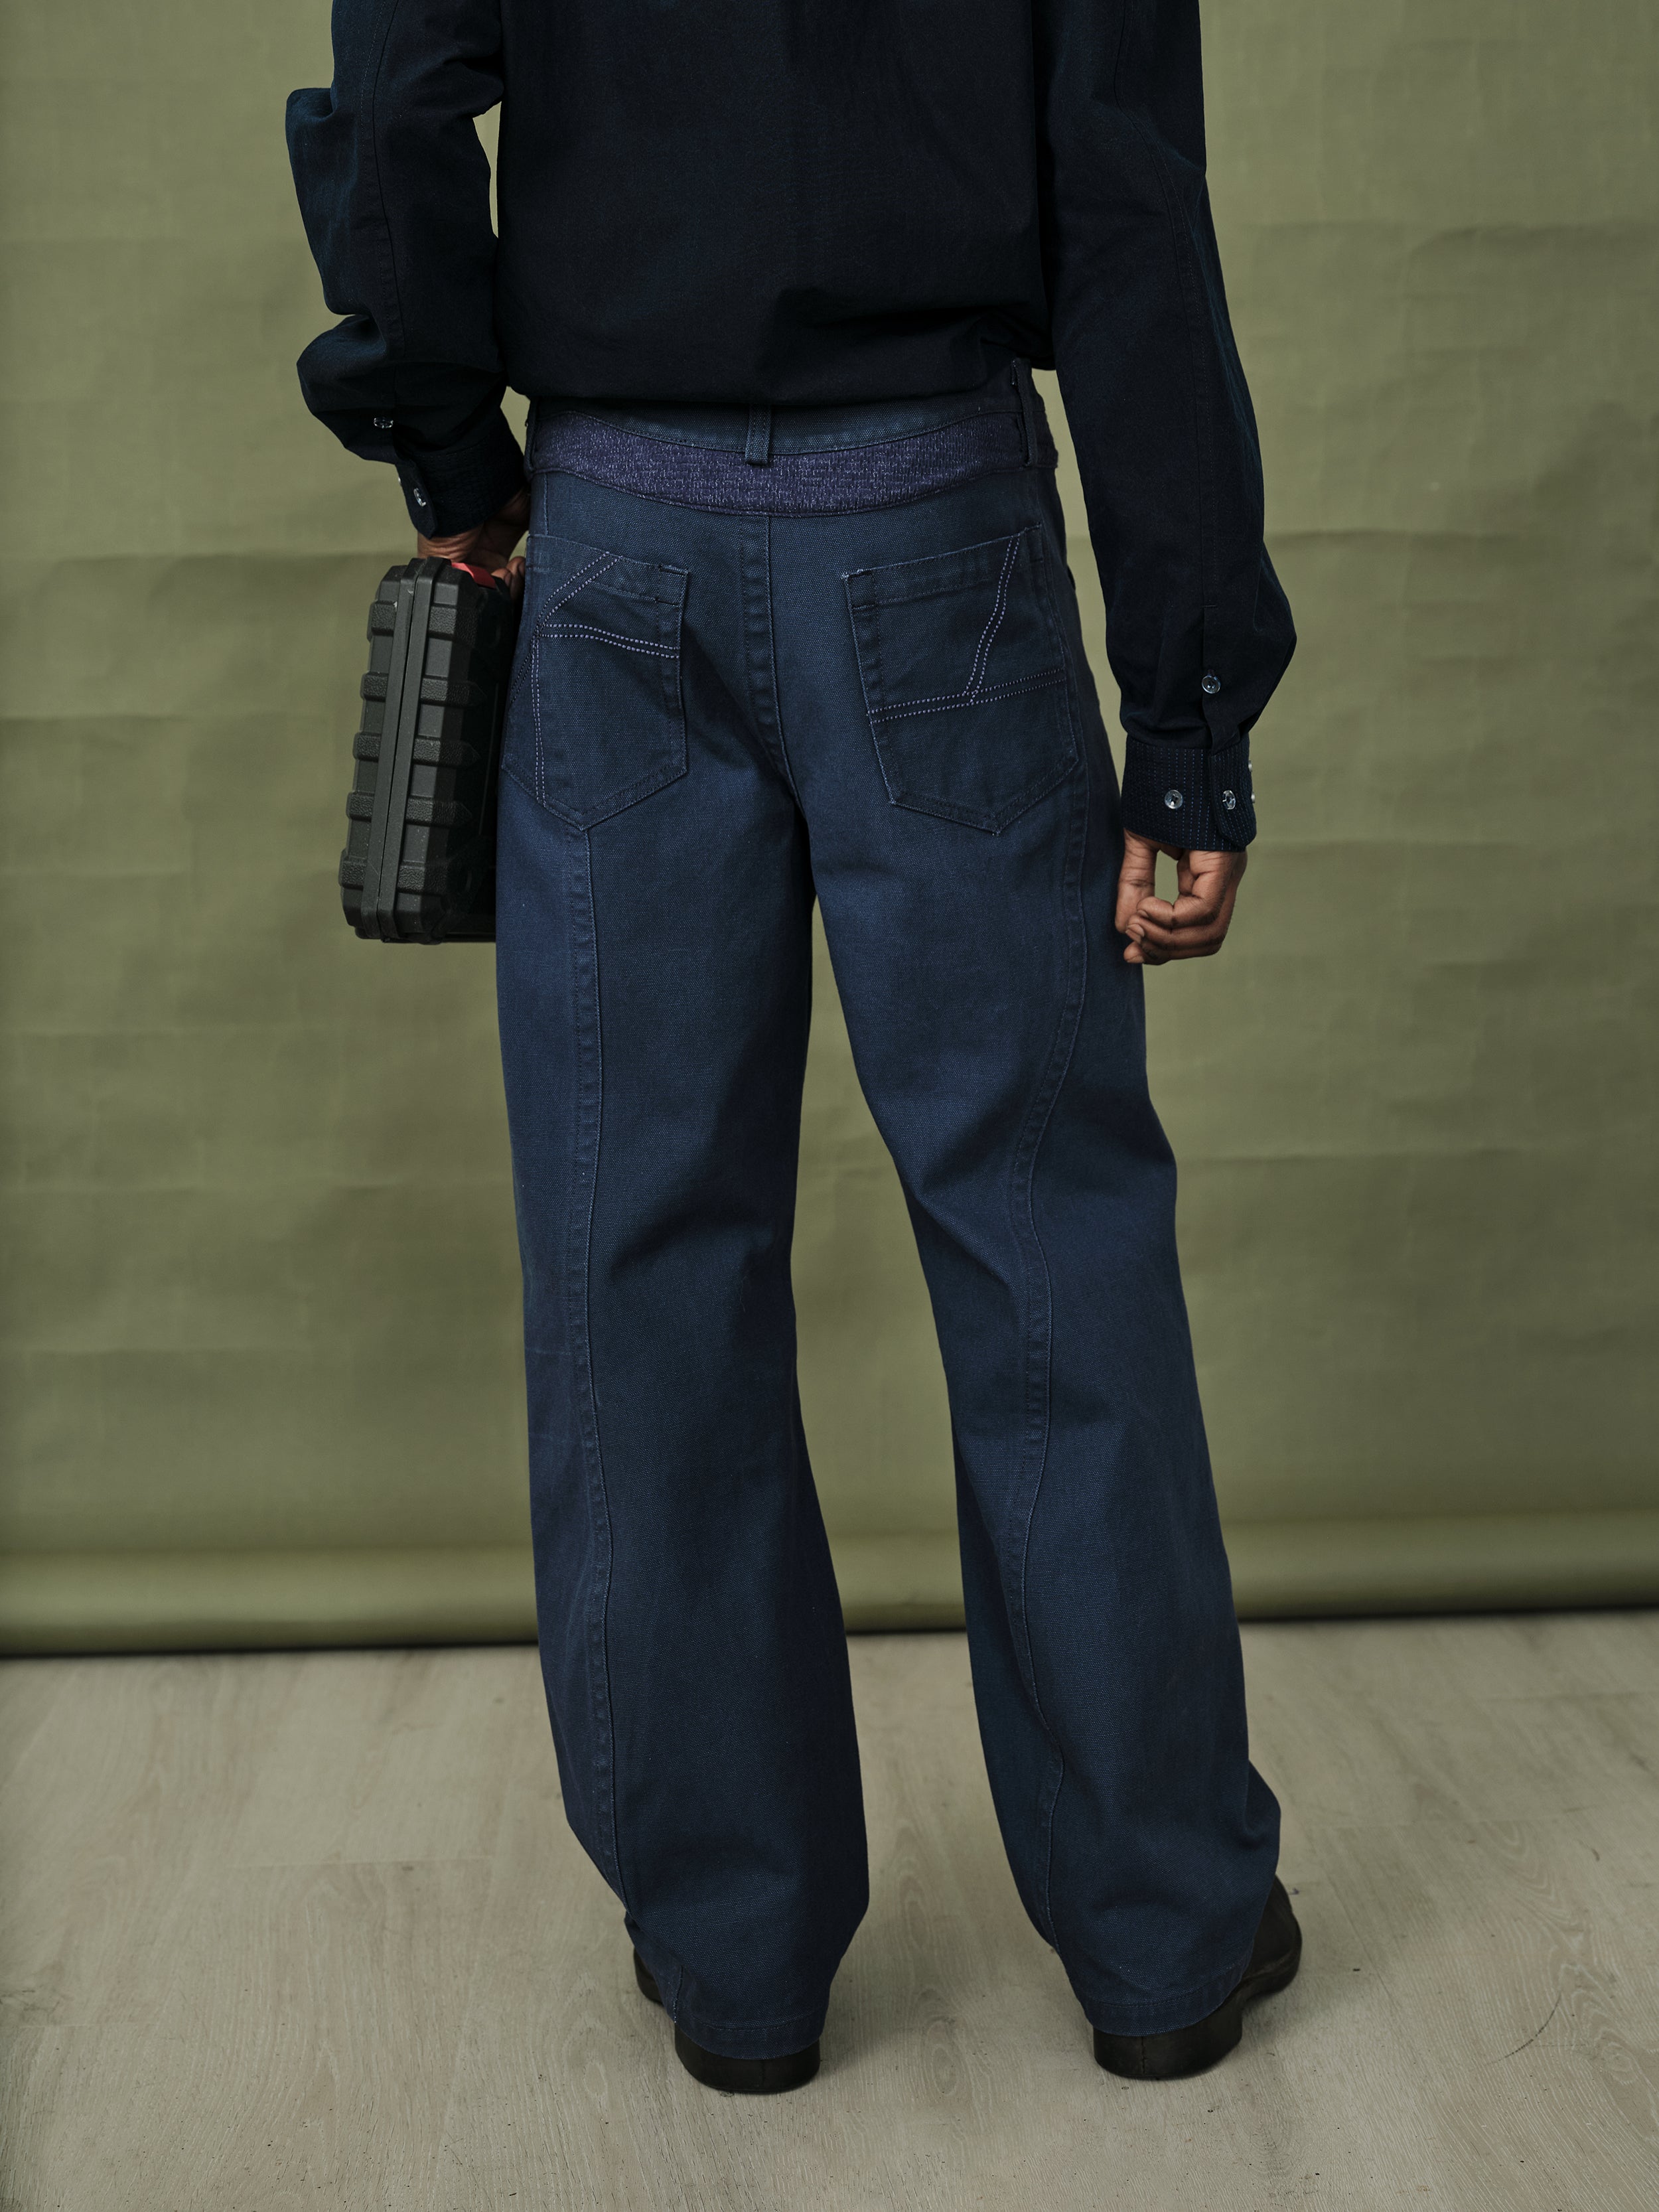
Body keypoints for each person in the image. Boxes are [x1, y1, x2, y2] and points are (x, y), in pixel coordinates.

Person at [287, 0, 1300, 2096]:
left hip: (617, 551)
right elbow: (1131, 213)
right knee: (1049, 1242)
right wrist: (1187, 719)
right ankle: (1162, 1946)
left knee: (638, 1256)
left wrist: (449, 449)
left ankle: (736, 1965)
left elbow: (394, 109)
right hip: (938, 537)